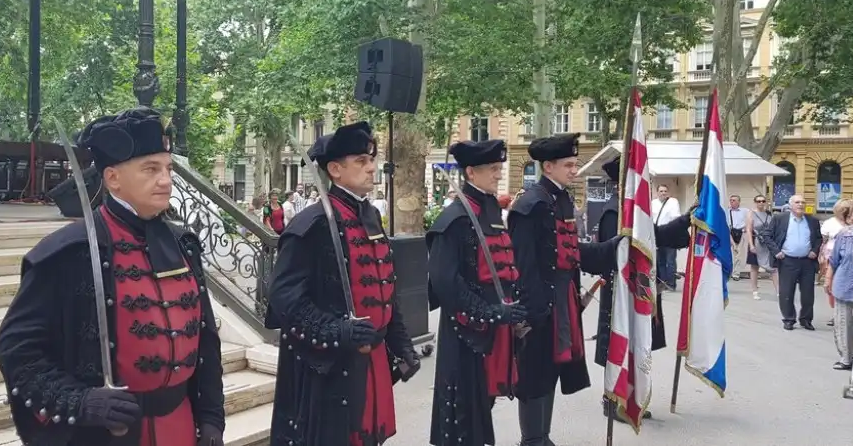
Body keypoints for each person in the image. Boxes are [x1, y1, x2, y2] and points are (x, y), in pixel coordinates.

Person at [0, 108, 225, 446]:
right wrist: (80, 402)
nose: (166, 180)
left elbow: (206, 341)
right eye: (151, 169)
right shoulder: (67, 252)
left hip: (181, 427)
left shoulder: (183, 245)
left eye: (168, 168)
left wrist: (211, 418)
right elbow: (16, 350)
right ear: (114, 178)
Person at [265, 121, 420, 446]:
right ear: (335, 169)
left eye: (371, 160)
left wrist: (401, 343)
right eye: (361, 161)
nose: (371, 168)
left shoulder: (371, 217)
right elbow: (284, 300)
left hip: (372, 360)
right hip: (330, 369)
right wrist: (338, 331)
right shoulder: (312, 223)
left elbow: (384, 289)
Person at [507, 134, 624, 446]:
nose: (575, 170)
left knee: (549, 374)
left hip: (561, 304)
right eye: (569, 165)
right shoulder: (530, 205)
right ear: (548, 166)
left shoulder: (559, 199)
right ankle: (532, 440)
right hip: (539, 308)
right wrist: (533, 314)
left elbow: (572, 253)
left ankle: (542, 437)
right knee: (534, 375)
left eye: (575, 164)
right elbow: (523, 265)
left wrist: (615, 247)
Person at [426, 139, 528, 446]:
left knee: (484, 407)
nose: (499, 175)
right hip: (466, 332)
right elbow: (445, 282)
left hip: (495, 332)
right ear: (471, 172)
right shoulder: (456, 218)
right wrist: (491, 312)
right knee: (462, 416)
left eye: (500, 168)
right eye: (493, 169)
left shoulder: (490, 213)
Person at [591, 156, 693, 422]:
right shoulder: (615, 212)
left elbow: (654, 236)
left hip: (639, 289)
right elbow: (611, 255)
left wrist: (685, 220)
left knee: (638, 342)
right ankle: (613, 400)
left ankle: (632, 397)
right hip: (620, 293)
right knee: (619, 342)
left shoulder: (635, 212)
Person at [770, 194, 822, 331]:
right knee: (786, 292)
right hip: (787, 260)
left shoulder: (812, 221)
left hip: (807, 261)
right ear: (791, 205)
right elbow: (767, 235)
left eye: (803, 202)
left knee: (808, 293)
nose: (801, 205)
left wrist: (815, 250)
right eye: (797, 202)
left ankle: (806, 319)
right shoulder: (780, 219)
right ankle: (789, 319)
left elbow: (818, 238)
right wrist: (776, 251)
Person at [827, 202, 853, 371]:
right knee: (844, 323)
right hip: (845, 284)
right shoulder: (844, 234)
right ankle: (846, 358)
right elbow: (833, 261)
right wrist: (828, 280)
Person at [745, 194, 779, 300]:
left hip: (768, 243)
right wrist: (751, 245)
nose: (761, 203)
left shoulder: (769, 214)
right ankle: (755, 291)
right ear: (755, 202)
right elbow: (749, 230)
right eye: (758, 201)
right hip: (756, 241)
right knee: (755, 267)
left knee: (774, 267)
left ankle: (779, 291)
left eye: (763, 201)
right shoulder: (751, 214)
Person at [651, 184, 681, 290]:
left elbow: (676, 219)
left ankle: (671, 284)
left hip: (670, 235)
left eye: (665, 191)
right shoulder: (653, 203)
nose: (663, 193)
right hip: (658, 236)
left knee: (670, 261)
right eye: (661, 191)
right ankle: (663, 283)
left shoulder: (673, 202)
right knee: (660, 261)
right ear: (657, 192)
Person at [727, 195, 749, 281]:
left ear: (739, 202)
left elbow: (751, 220)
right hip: (730, 233)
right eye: (731, 200)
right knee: (730, 254)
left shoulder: (745, 211)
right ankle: (728, 272)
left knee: (739, 255)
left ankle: (736, 273)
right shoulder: (727, 211)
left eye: (734, 200)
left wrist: (746, 228)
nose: (732, 202)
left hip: (741, 232)